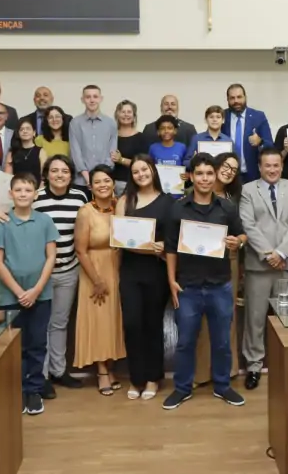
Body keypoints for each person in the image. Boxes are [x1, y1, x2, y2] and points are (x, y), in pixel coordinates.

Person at [163, 153, 246, 410]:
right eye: (199, 173)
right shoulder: (178, 208)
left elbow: (242, 234)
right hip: (187, 286)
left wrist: (238, 242)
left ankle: (222, 387)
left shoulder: (227, 208)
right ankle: (182, 388)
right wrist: (171, 282)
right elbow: (170, 249)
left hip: (220, 285)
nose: (205, 178)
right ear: (191, 177)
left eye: (209, 173)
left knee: (221, 341)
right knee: (186, 341)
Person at [0, 173, 60, 415]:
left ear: (35, 194)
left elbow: (51, 256)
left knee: (37, 343)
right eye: (18, 190)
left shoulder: (45, 221)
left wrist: (37, 289)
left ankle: (34, 390)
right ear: (11, 194)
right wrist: (20, 292)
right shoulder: (2, 222)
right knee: (14, 347)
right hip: (12, 296)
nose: (22, 194)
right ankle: (17, 390)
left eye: (27, 190)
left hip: (41, 294)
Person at [239, 148, 288, 390]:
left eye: (276, 165)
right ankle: (254, 366)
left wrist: (281, 253)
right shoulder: (248, 190)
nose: (272, 170)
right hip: (259, 265)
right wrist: (269, 254)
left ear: (282, 166)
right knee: (255, 318)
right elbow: (248, 224)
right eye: (268, 166)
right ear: (259, 167)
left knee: (287, 317)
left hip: (287, 263)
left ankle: (286, 364)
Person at [116, 155, 174, 400]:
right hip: (130, 271)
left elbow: (173, 237)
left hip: (156, 270)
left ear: (153, 170)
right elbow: (118, 237)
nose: (141, 174)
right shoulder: (124, 200)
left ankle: (152, 378)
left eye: (145, 169)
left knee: (152, 325)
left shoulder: (169, 201)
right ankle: (136, 378)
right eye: (136, 171)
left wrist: (162, 245)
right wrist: (148, 247)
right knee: (132, 324)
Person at [33, 155, 88, 396]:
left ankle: (59, 370)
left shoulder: (80, 197)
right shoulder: (36, 198)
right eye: (54, 171)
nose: (59, 175)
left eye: (64, 171)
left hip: (69, 270)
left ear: (71, 174)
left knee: (60, 323)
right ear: (46, 174)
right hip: (41, 273)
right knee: (41, 325)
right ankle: (41, 375)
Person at [74, 165, 126, 396]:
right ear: (90, 186)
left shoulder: (120, 207)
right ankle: (102, 371)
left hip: (118, 269)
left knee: (113, 320)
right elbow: (80, 250)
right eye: (98, 182)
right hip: (94, 270)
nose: (103, 185)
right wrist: (96, 279)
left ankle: (111, 367)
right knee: (98, 321)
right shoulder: (86, 212)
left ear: (113, 183)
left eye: (107, 180)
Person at [193, 151, 243, 386]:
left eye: (234, 170)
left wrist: (239, 241)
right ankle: (202, 372)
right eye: (226, 165)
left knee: (226, 316)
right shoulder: (196, 192)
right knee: (201, 320)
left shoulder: (234, 199)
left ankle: (229, 370)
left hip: (228, 260)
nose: (228, 171)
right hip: (197, 263)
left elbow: (242, 232)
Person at [221, 83, 274, 183]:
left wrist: (260, 141)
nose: (236, 101)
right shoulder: (222, 116)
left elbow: (270, 145)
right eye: (232, 98)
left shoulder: (258, 116)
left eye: (239, 97)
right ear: (227, 100)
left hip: (253, 175)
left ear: (245, 97)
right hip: (227, 175)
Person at [69, 85, 117, 187]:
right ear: (82, 100)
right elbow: (75, 153)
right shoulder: (75, 123)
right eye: (88, 97)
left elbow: (112, 153)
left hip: (104, 180)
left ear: (101, 99)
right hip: (81, 181)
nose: (92, 100)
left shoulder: (111, 123)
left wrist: (100, 179)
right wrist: (88, 179)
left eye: (95, 96)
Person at [111, 100, 148, 197]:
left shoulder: (141, 138)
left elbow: (143, 164)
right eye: (123, 112)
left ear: (134, 116)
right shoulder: (110, 136)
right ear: (117, 115)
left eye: (129, 112)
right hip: (110, 184)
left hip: (131, 183)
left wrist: (121, 160)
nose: (126, 115)